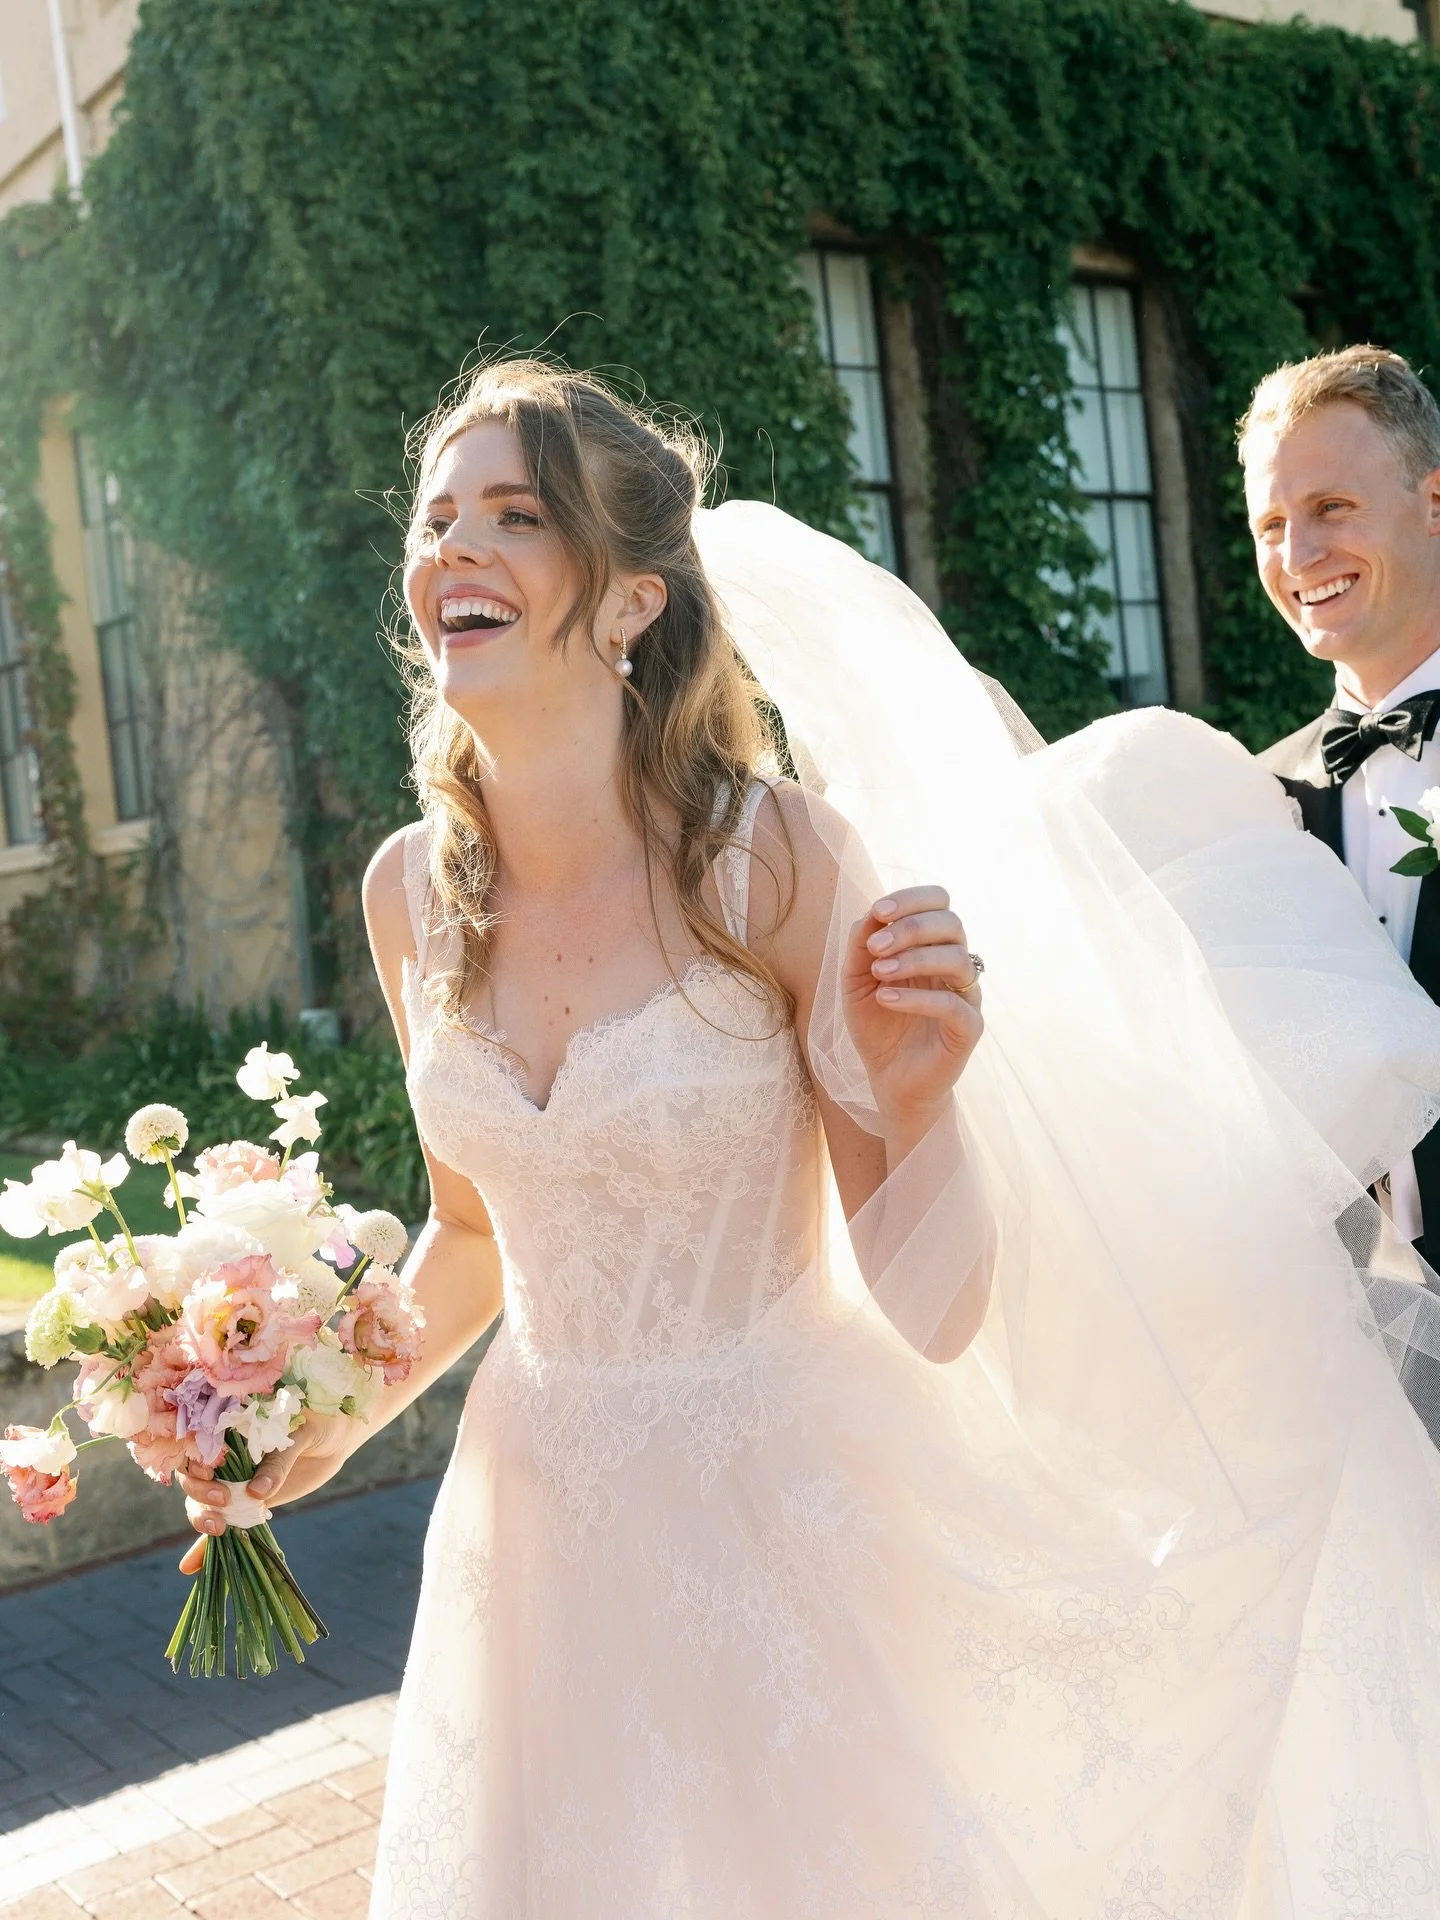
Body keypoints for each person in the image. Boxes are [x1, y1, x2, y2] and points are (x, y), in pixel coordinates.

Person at [181, 360, 1440, 1916]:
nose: (454, 549)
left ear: (634, 601)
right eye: (438, 520)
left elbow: (936, 1304)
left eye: (515, 514)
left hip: (786, 1532)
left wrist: (918, 1109)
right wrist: (301, 1420)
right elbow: (479, 1235)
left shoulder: (769, 863)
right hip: (536, 1540)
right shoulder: (407, 896)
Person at [1248, 348, 1440, 1268]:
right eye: (1272, 523)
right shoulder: (1249, 804)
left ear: (1435, 503)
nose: (1298, 557)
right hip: (1356, 1356)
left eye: (1331, 508)